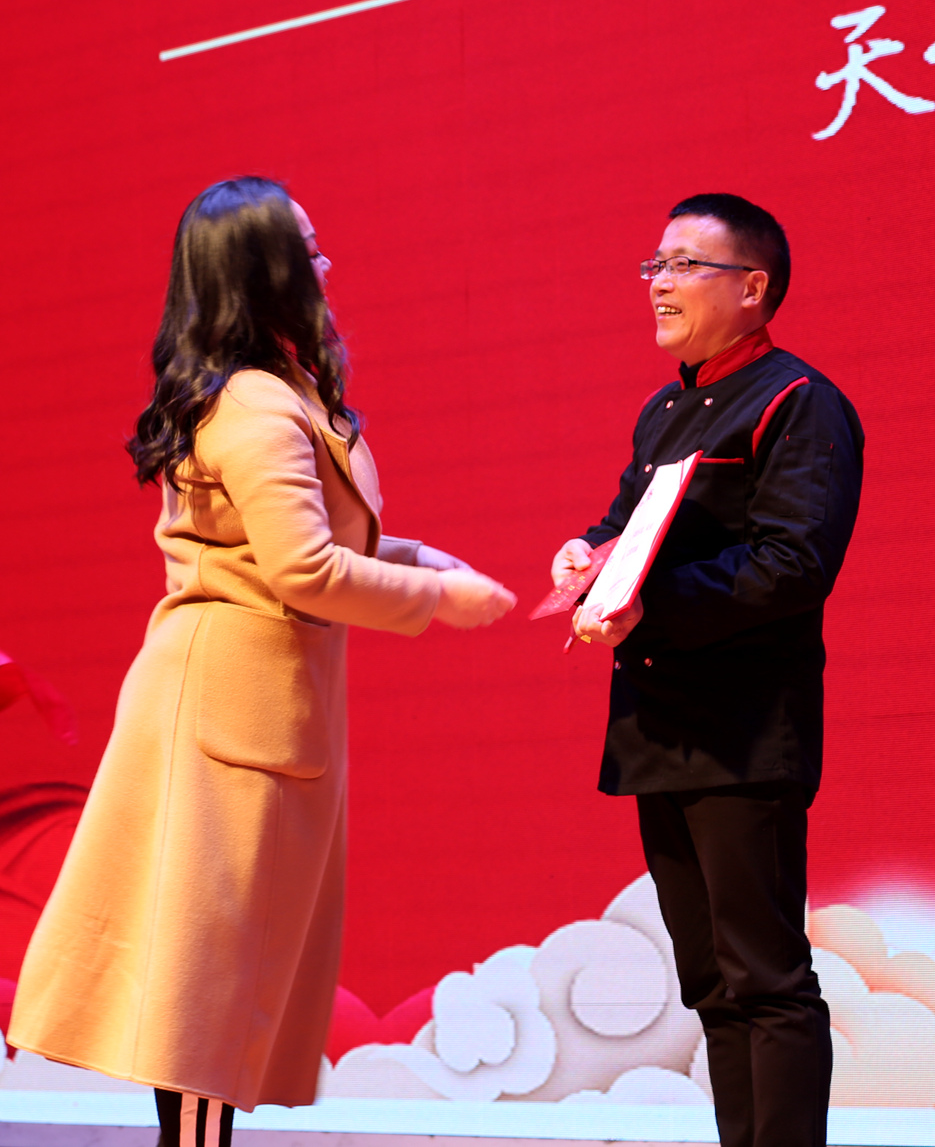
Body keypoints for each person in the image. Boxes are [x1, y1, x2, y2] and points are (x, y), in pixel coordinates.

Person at [8, 177, 516, 1147]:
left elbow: (310, 540)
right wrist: (437, 601)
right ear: (265, 269)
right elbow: (304, 568)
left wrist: (422, 560)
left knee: (224, 979)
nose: (326, 263)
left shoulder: (277, 389)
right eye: (308, 247)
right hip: (230, 716)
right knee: (211, 983)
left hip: (249, 705)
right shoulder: (253, 406)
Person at [550, 193, 863, 1147]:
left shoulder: (798, 402)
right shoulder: (663, 411)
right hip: (660, 725)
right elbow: (627, 529)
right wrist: (586, 555)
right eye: (654, 265)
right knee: (713, 986)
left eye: (684, 264)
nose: (659, 283)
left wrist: (651, 601)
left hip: (744, 731)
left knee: (765, 979)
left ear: (752, 287)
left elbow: (790, 565)